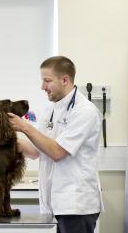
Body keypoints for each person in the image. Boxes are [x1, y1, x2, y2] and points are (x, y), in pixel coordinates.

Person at [8, 56, 103, 233]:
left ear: (65, 80)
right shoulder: (50, 110)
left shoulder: (85, 111)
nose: (42, 87)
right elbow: (37, 151)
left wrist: (25, 127)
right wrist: (7, 139)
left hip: (76, 205)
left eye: (47, 80)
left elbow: (57, 152)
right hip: (53, 204)